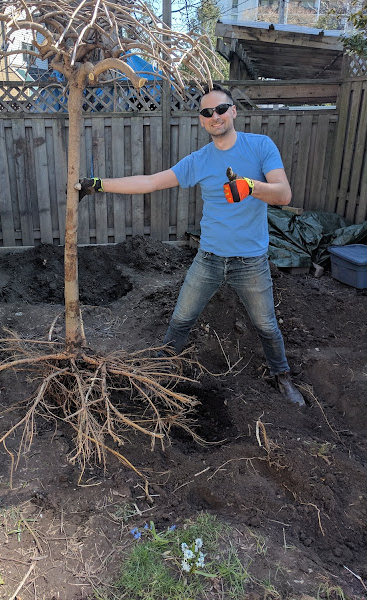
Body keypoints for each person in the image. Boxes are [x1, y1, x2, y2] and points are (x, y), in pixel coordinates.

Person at [77, 83, 305, 407]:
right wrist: (99, 185)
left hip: (250, 262)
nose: (216, 116)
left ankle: (282, 377)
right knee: (181, 319)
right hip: (209, 259)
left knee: (266, 325)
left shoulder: (260, 147)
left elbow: (283, 195)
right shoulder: (199, 160)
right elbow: (151, 182)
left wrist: (250, 186)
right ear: (201, 120)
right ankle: (162, 367)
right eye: (207, 112)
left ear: (234, 111)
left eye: (221, 109)